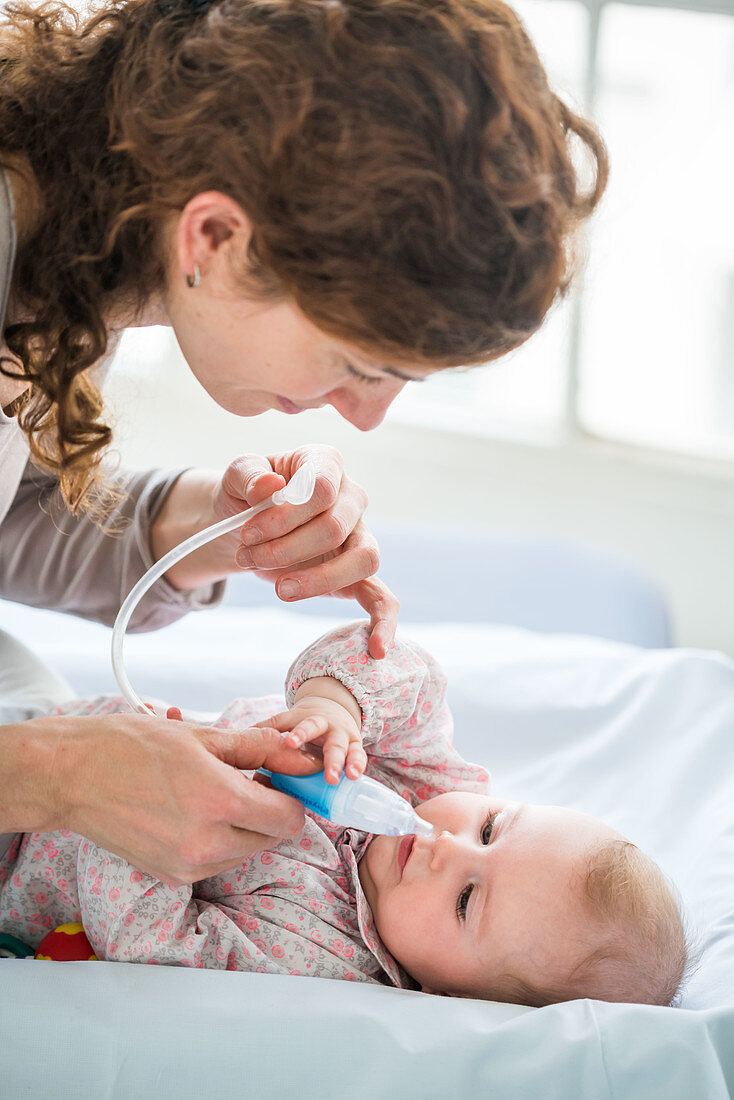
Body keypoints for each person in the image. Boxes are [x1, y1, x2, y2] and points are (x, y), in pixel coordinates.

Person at [0, 0, 608, 886]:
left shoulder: (66, 259)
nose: (363, 418)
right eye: (359, 363)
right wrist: (58, 777)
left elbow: (8, 525)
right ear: (214, 235)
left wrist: (221, 525)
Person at [0, 622, 688, 1007]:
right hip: (53, 720)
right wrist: (338, 707)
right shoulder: (419, 778)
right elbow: (400, 664)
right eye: (491, 828)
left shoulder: (323, 960)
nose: (451, 846)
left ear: (449, 994)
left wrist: (141, 796)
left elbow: (148, 939)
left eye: (467, 900)